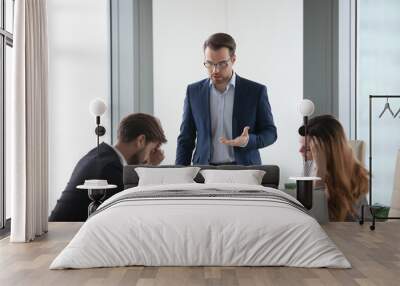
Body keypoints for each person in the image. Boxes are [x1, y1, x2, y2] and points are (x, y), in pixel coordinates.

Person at [176, 33, 277, 166]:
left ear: (233, 59)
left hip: (244, 170)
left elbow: (270, 133)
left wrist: (248, 141)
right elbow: (186, 139)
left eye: (222, 64)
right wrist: (178, 175)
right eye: (209, 63)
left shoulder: (255, 91)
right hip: (204, 171)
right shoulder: (193, 92)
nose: (215, 70)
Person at [49, 113, 167, 222]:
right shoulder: (109, 169)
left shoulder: (102, 155)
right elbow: (135, 210)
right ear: (141, 140)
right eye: (153, 148)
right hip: (67, 239)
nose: (152, 156)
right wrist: (150, 167)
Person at [298, 114, 369, 221]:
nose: (300, 151)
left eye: (308, 148)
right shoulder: (310, 167)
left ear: (326, 151)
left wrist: (320, 172)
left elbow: (315, 218)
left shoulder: (352, 176)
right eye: (300, 144)